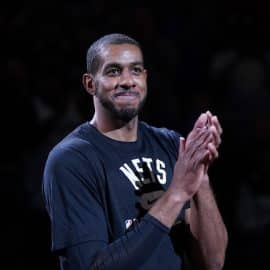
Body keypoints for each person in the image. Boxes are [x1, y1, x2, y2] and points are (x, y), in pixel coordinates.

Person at [42, 33, 228, 270]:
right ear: (90, 84)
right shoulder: (71, 160)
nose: (128, 80)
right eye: (114, 71)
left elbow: (213, 262)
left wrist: (200, 177)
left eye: (136, 70)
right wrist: (177, 193)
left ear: (146, 78)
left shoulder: (171, 145)